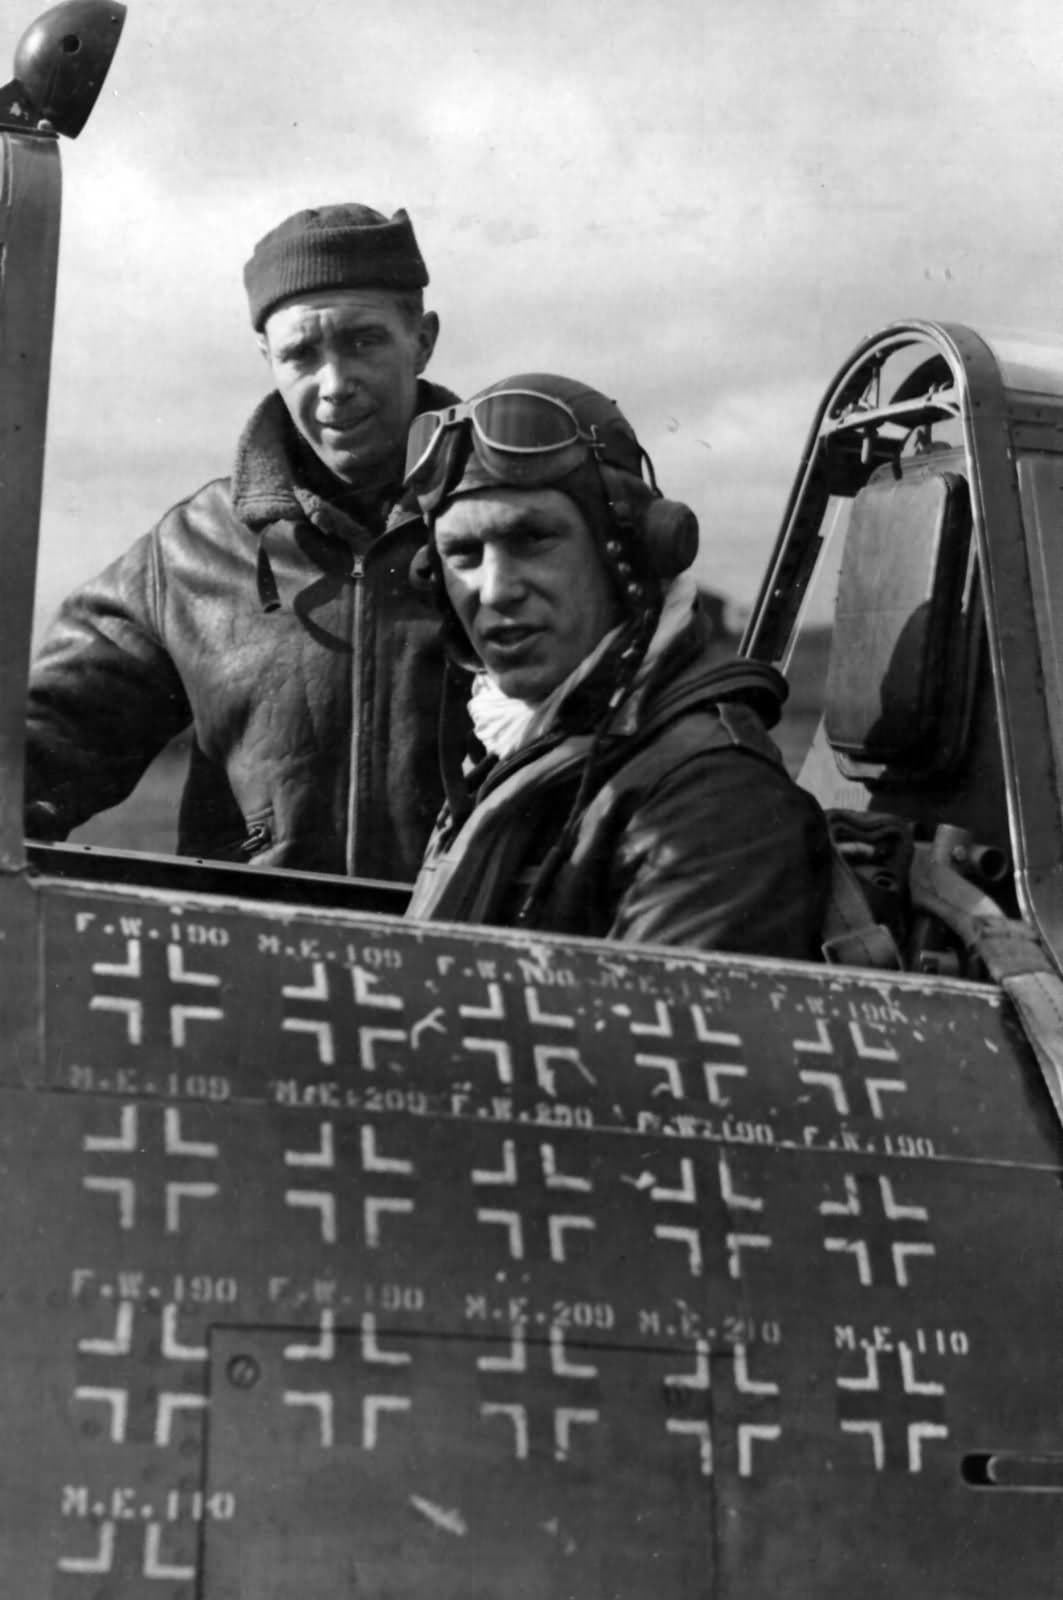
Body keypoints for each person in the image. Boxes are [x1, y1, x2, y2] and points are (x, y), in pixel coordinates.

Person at [25, 202, 460, 880]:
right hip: (246, 959)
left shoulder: (510, 524)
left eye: (363, 341)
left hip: (474, 959)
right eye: (300, 354)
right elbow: (53, 732)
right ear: (267, 358)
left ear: (422, 339)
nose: (334, 385)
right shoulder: (192, 547)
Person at [402, 374, 831, 954]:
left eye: (532, 540)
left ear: (628, 553)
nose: (495, 590)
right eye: (464, 554)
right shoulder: (522, 750)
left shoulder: (713, 802)